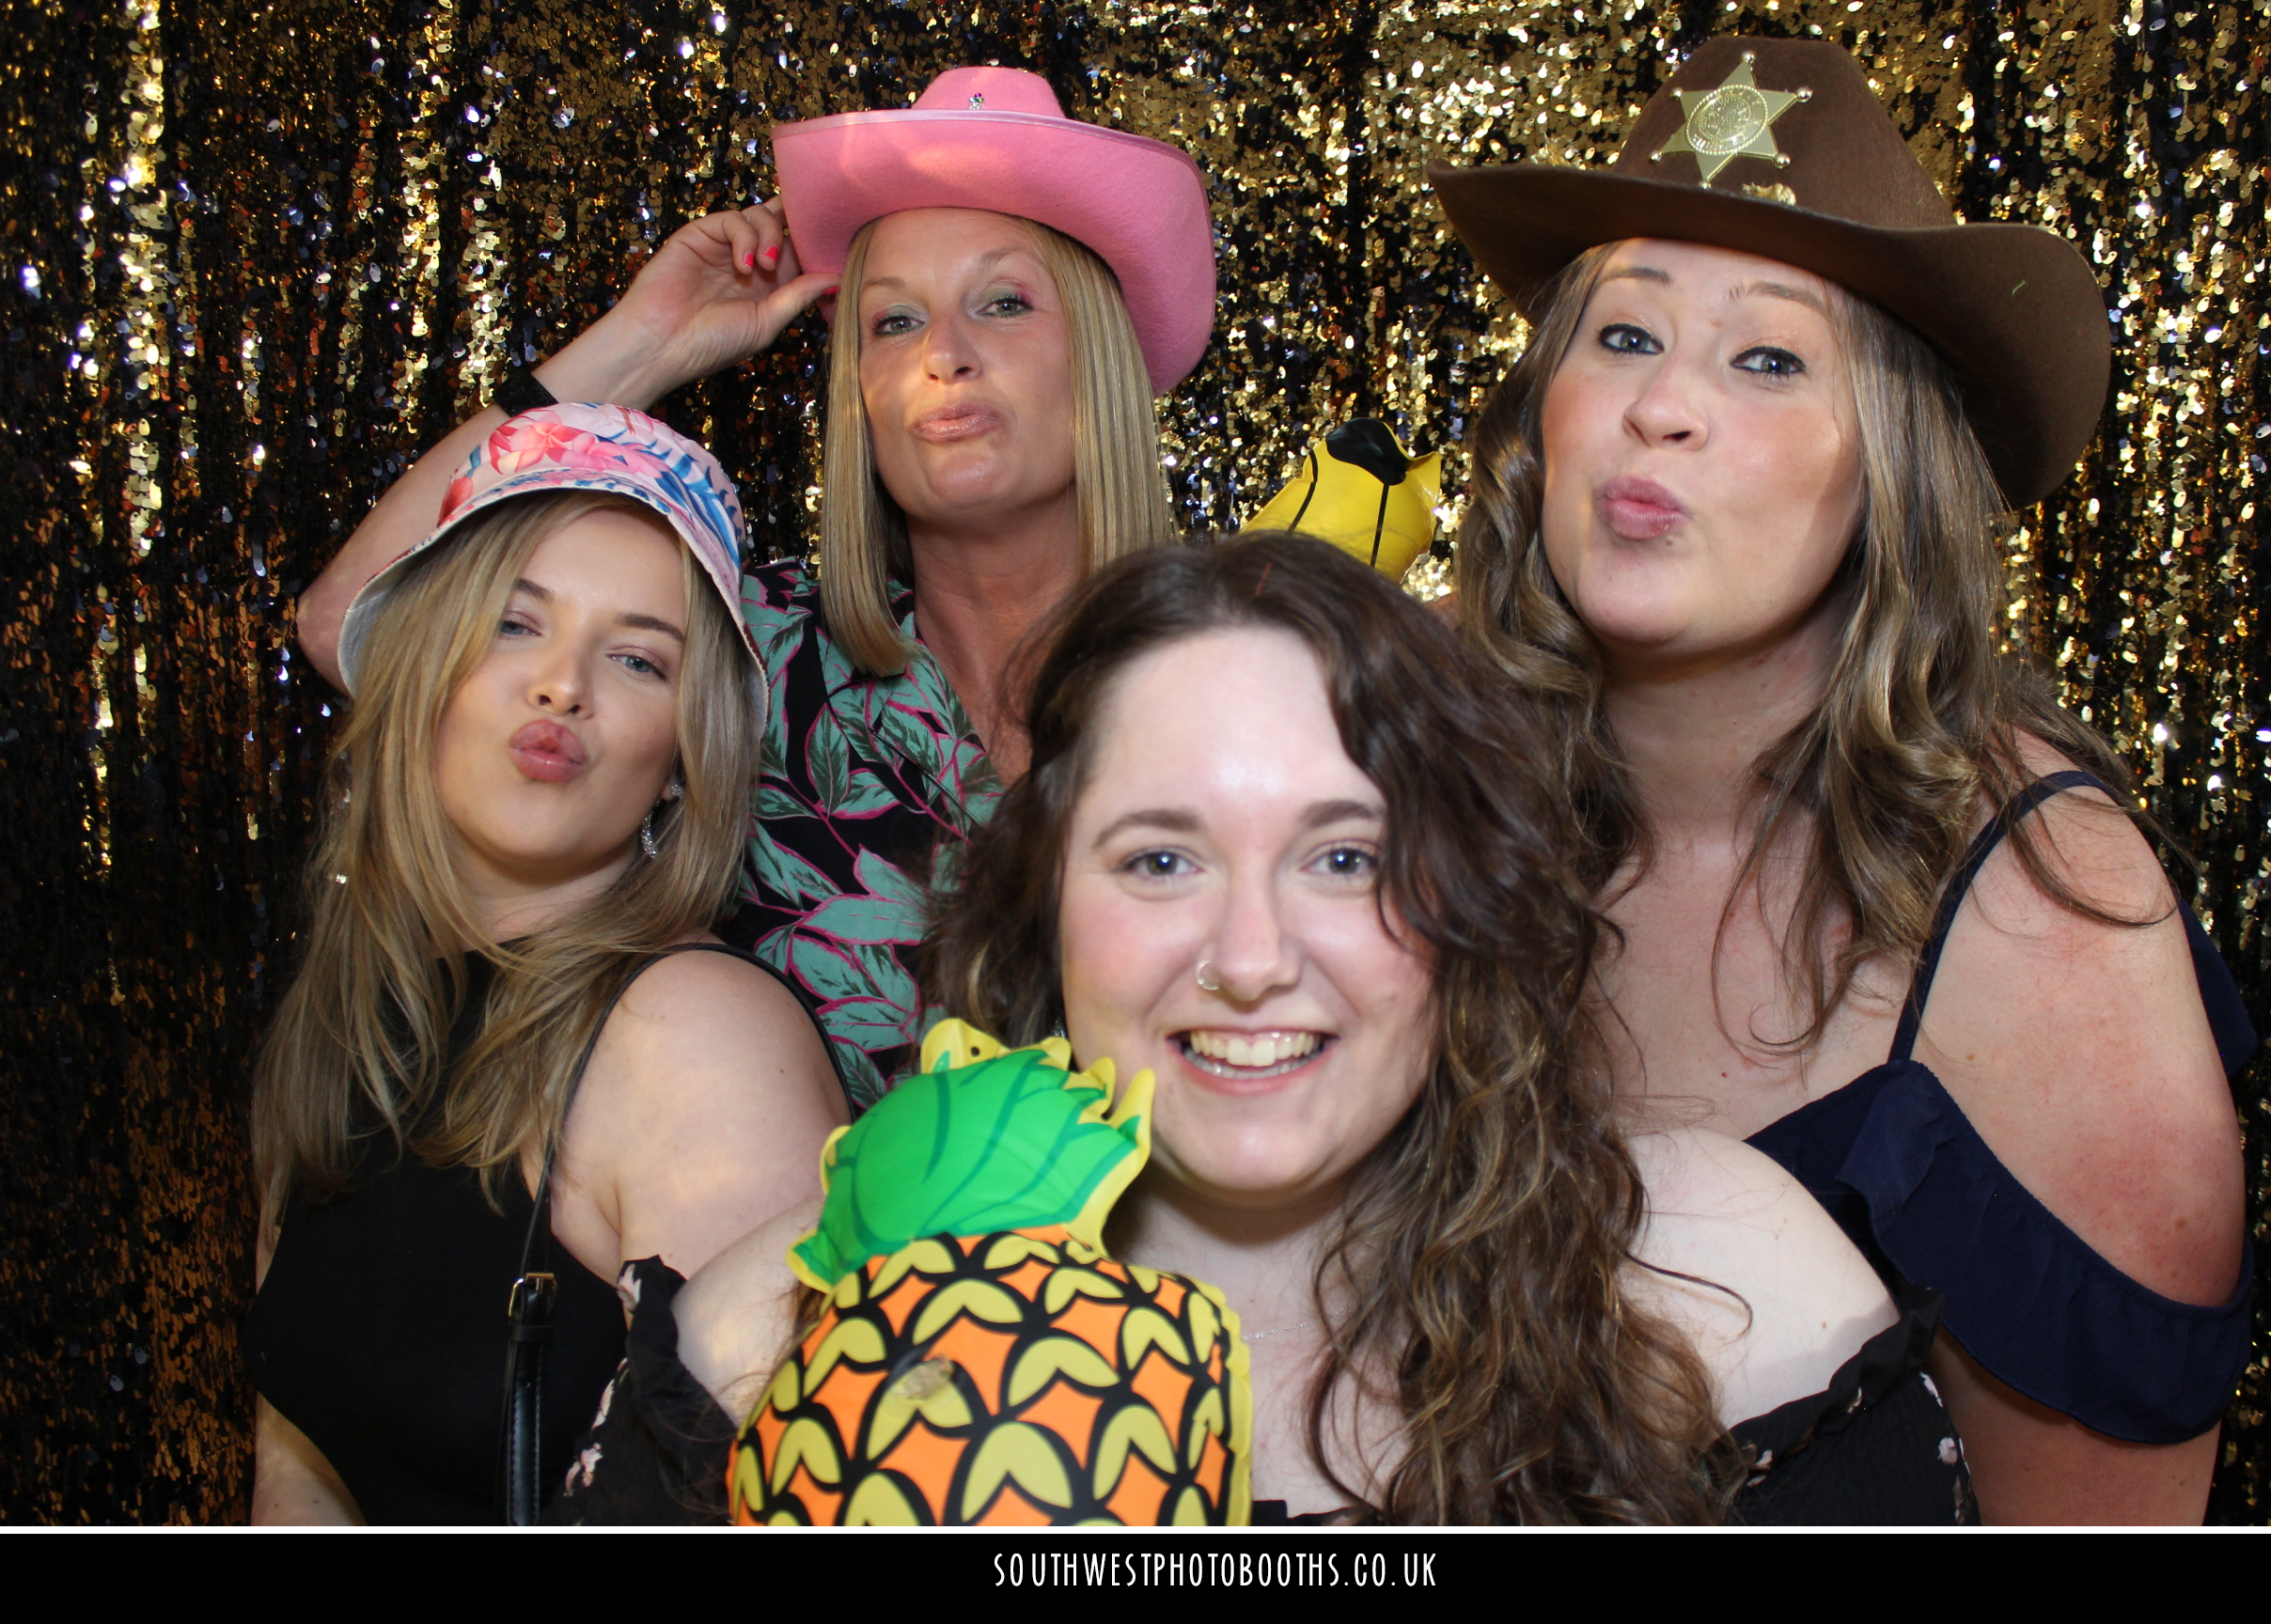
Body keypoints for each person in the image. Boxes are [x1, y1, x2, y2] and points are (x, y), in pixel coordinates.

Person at [681, 534, 1973, 1524]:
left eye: (1346, 859)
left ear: (1469, 902)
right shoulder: (769, 1340)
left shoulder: (1739, 1302)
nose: (1251, 961)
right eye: (1160, 861)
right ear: (1045, 900)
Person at [1431, 37, 2253, 1522]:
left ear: (1887, 470)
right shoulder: (1410, 780)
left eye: (1767, 358)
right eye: (1624, 334)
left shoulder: (2047, 916)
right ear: (1540, 415)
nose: (1661, 407)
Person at [295, 66, 1215, 1106]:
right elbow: (351, 619)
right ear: (858, 393)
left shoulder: (1247, 672)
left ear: (1099, 353)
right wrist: (645, 346)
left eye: (1003, 303)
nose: (945, 355)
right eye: (892, 322)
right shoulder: (756, 655)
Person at [243, 406, 849, 1523]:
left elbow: (776, 1495)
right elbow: (303, 1446)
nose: (564, 685)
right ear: (425, 674)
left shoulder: (692, 1037)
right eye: (513, 625)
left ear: (682, 757)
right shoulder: (360, 1013)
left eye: (636, 658)